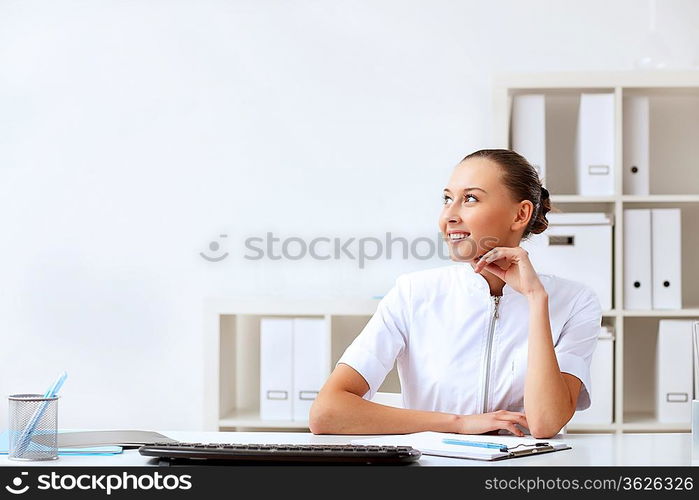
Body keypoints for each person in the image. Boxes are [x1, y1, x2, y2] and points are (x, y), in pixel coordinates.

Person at [309, 149, 602, 439]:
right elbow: (327, 413)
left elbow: (544, 424)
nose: (448, 216)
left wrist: (536, 299)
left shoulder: (576, 302)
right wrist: (460, 423)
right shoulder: (413, 293)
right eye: (447, 199)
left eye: (470, 199)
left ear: (520, 214)